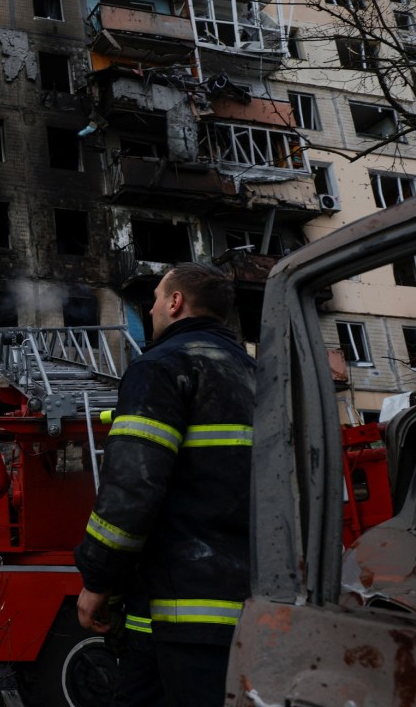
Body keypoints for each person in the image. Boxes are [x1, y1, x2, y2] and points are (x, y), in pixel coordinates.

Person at [74, 262, 256, 707]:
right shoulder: (259, 375)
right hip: (255, 611)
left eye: (156, 298)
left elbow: (132, 487)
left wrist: (98, 579)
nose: (152, 309)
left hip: (175, 616)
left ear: (175, 302)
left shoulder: (161, 367)